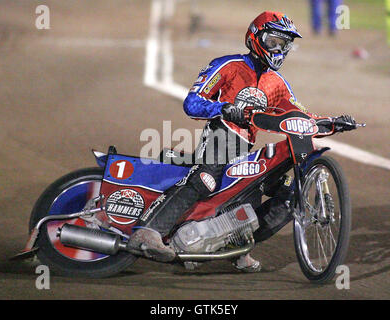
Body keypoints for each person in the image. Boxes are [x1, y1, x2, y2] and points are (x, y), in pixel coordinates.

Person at [128, 11, 356, 272]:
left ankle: (236, 246)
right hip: (220, 135)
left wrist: (333, 123)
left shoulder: (277, 84)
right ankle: (148, 231)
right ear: (255, 37)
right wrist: (224, 109)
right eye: (274, 42)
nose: (279, 49)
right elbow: (192, 103)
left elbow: (299, 115)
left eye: (284, 45)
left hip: (245, 148)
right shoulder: (228, 65)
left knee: (286, 197)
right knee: (206, 178)